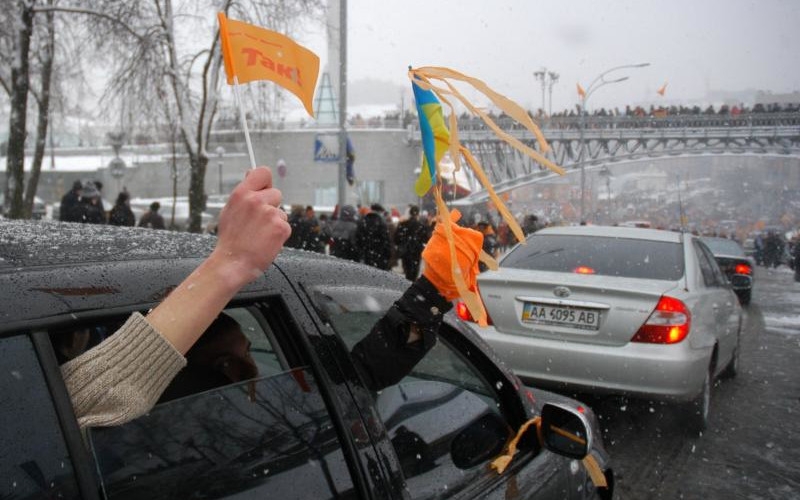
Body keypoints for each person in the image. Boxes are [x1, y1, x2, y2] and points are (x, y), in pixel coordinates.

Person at [60, 166, 481, 431]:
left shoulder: (172, 441)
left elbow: (357, 378)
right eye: (245, 353)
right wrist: (231, 262)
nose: (259, 368)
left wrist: (428, 297)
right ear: (222, 368)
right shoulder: (251, 428)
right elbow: (356, 382)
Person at [394, 205, 431, 280]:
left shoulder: (403, 224)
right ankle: (412, 283)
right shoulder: (421, 226)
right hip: (416, 252)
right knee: (414, 272)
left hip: (405, 251)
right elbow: (426, 239)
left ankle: (407, 283)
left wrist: (401, 244)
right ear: (418, 214)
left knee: (407, 271)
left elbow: (396, 238)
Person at [356, 203, 392, 270]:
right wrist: (388, 254)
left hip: (366, 254)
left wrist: (361, 251)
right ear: (380, 211)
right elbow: (385, 240)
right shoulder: (382, 222)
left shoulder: (363, 220)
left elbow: (358, 238)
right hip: (379, 254)